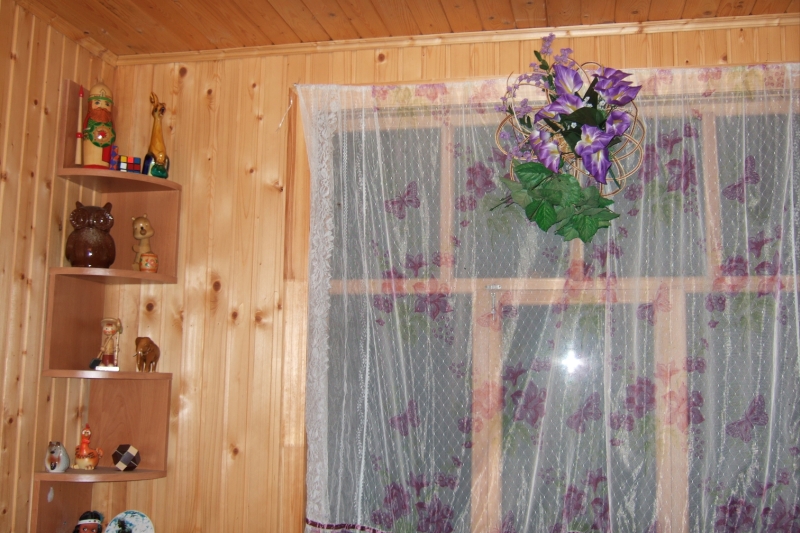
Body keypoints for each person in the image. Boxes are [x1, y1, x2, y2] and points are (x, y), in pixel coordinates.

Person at [82, 83, 116, 168]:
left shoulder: (109, 122)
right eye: (97, 102)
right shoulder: (89, 120)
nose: (102, 107)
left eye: (107, 104)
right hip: (90, 152)